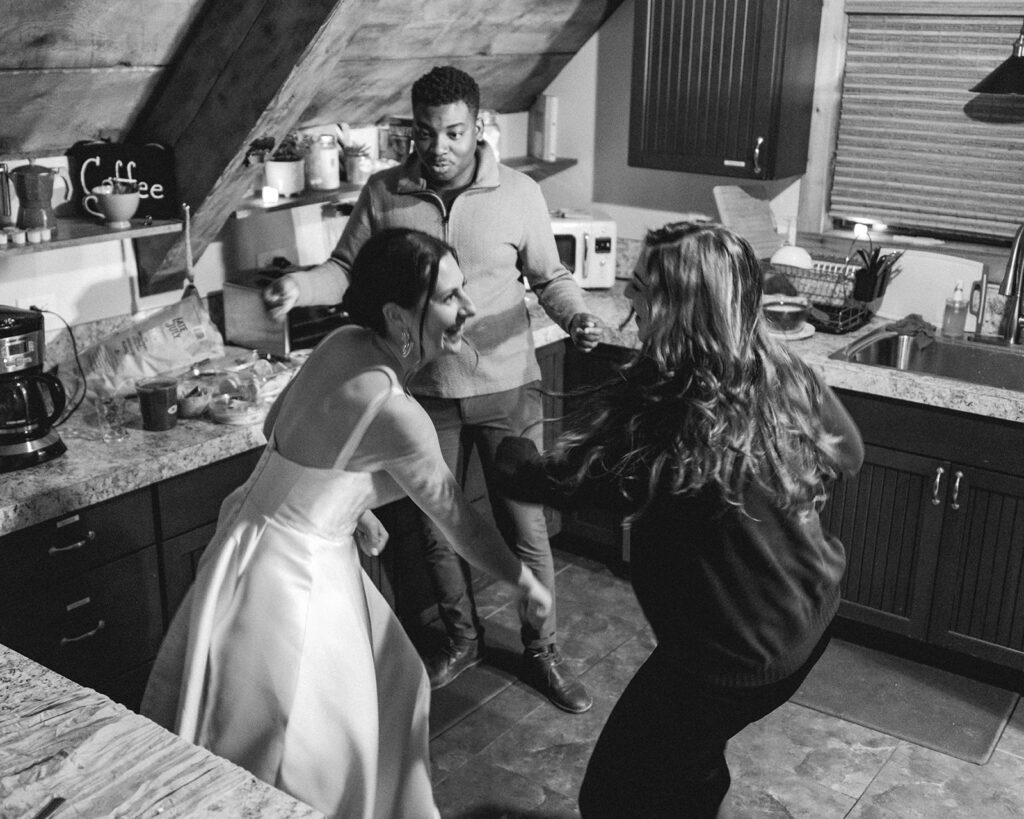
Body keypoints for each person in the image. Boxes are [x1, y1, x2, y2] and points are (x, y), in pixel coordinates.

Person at [141, 228, 552, 819]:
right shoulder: (396, 410)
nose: (468, 308)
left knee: (389, 681)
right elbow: (457, 518)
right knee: (306, 747)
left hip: (248, 539)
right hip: (294, 579)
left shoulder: (341, 342)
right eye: (449, 297)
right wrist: (522, 580)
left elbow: (276, 430)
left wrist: (346, 506)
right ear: (399, 316)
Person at [494, 221, 865, 817]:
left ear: (676, 306)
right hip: (810, 616)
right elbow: (849, 455)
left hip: (733, 655)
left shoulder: (666, 415)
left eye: (638, 288)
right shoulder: (785, 370)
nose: (628, 301)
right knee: (688, 757)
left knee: (611, 796)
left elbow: (548, 482)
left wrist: (507, 447)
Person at [263, 65, 601, 713]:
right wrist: (295, 288)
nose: (438, 147)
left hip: (507, 386)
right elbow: (343, 270)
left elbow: (550, 276)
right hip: (427, 389)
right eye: (426, 132)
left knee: (523, 525)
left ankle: (543, 648)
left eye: (452, 132)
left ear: (478, 126)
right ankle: (464, 637)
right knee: (435, 519)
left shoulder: (520, 193)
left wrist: (577, 315)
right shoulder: (387, 192)